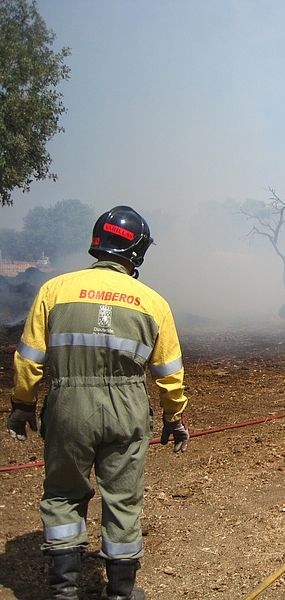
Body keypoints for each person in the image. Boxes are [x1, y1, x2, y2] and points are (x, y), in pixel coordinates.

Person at [6, 206, 189, 600]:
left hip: (69, 404)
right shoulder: (152, 302)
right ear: (137, 250)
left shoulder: (54, 290)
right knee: (123, 499)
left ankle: (64, 590)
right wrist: (175, 417)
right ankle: (121, 592)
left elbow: (29, 359)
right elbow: (169, 373)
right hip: (127, 409)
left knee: (62, 495)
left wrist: (22, 404)